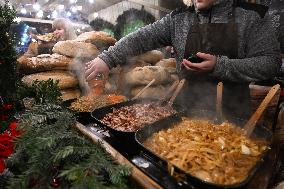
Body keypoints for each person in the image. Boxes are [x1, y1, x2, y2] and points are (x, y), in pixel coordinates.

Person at [85, 0, 281, 119]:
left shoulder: (252, 16)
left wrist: (220, 65)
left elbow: (270, 63)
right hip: (183, 111)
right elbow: (141, 38)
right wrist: (108, 58)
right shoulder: (178, 19)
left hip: (233, 114)